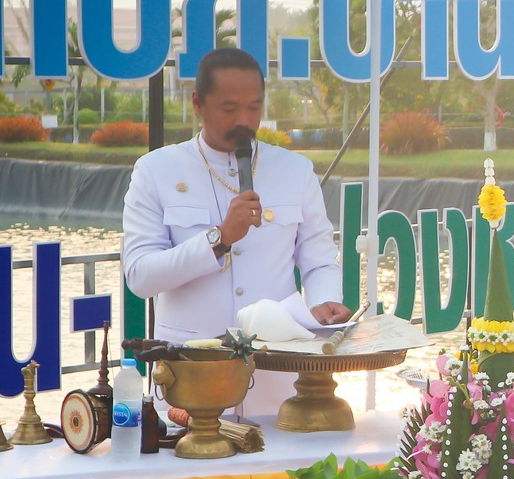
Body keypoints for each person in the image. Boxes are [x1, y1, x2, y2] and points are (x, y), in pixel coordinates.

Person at [123, 49, 350, 413]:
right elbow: (140, 277)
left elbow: (320, 261)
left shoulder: (295, 170)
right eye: (229, 110)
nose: (244, 120)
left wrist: (324, 302)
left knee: (286, 470)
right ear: (197, 103)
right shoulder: (156, 171)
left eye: (254, 108)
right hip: (190, 376)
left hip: (278, 373)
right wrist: (219, 238)